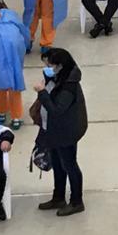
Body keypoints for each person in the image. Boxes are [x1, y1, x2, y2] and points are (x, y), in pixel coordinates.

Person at [34, 48, 88, 216]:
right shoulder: (58, 78)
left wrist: (41, 92)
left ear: (60, 65)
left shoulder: (69, 86)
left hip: (66, 132)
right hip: (54, 131)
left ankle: (76, 201)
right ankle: (58, 196)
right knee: (57, 163)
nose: (48, 67)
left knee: (69, 164)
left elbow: (56, 109)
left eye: (50, 65)